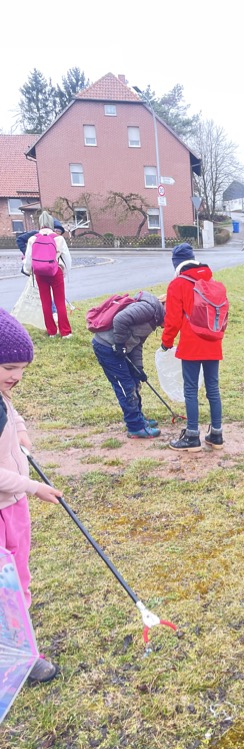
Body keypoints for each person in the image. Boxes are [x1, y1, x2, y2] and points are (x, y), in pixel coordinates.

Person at [0, 309, 63, 683]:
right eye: (9, 367)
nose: (16, 377)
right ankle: (15, 655)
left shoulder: (2, 393)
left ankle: (20, 644)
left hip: (13, 508)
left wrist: (20, 430)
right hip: (9, 499)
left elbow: (10, 408)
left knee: (17, 573)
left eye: (22, 368)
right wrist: (34, 486)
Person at [161, 243, 224, 452]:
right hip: (213, 342)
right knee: (213, 389)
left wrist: (166, 343)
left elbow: (172, 320)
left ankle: (192, 436)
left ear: (176, 264)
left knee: (190, 390)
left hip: (191, 344)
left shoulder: (177, 284)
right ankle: (216, 434)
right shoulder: (210, 280)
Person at [91, 292, 166, 439]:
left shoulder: (155, 318)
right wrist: (119, 343)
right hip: (107, 347)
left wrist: (139, 368)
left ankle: (139, 419)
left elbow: (137, 342)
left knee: (134, 381)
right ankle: (135, 427)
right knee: (126, 386)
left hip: (119, 348)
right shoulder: (149, 309)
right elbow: (120, 319)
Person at [22, 211, 73, 338]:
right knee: (60, 302)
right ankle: (65, 332)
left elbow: (29, 259)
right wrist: (65, 272)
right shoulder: (59, 238)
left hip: (40, 273)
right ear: (51, 224)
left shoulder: (33, 239)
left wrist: (29, 272)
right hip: (56, 271)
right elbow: (67, 259)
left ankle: (52, 331)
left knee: (45, 302)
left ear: (40, 224)